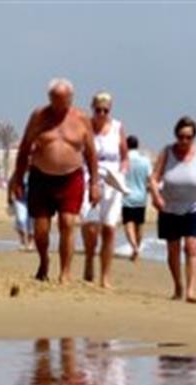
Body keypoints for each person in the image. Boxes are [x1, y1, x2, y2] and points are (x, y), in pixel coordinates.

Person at [9, 78, 100, 283]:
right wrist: (18, 179)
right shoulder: (39, 117)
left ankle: (65, 272)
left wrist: (94, 183)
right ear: (49, 98)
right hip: (41, 177)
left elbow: (91, 154)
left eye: (65, 100)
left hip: (71, 177)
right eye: (56, 100)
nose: (60, 105)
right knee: (41, 229)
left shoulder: (81, 119)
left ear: (71, 98)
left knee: (67, 223)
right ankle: (44, 260)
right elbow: (24, 149)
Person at [148, 115, 196, 304]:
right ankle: (178, 285)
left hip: (195, 206)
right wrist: (156, 196)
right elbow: (154, 178)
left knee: (191, 247)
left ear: (194, 137)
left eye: (188, 137)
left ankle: (191, 290)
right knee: (173, 250)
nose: (184, 141)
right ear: (176, 135)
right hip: (169, 207)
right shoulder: (167, 152)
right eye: (181, 137)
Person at [79, 92, 128, 288]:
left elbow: (124, 156)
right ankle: (89, 258)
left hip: (112, 181)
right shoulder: (85, 126)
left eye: (105, 110)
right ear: (93, 108)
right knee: (90, 226)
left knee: (109, 228)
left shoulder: (117, 127)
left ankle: (105, 277)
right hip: (89, 178)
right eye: (98, 110)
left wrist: (122, 172)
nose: (101, 114)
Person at [120, 134, 151, 262]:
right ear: (137, 146)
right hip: (141, 197)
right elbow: (149, 179)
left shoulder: (123, 161)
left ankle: (134, 247)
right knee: (139, 225)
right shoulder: (145, 161)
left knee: (128, 223)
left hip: (126, 196)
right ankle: (136, 249)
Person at [10, 172, 33, 250]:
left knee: (31, 222)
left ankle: (30, 242)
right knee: (20, 219)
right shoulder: (19, 171)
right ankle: (22, 241)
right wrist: (9, 196)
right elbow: (11, 182)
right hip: (20, 200)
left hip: (33, 200)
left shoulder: (37, 171)